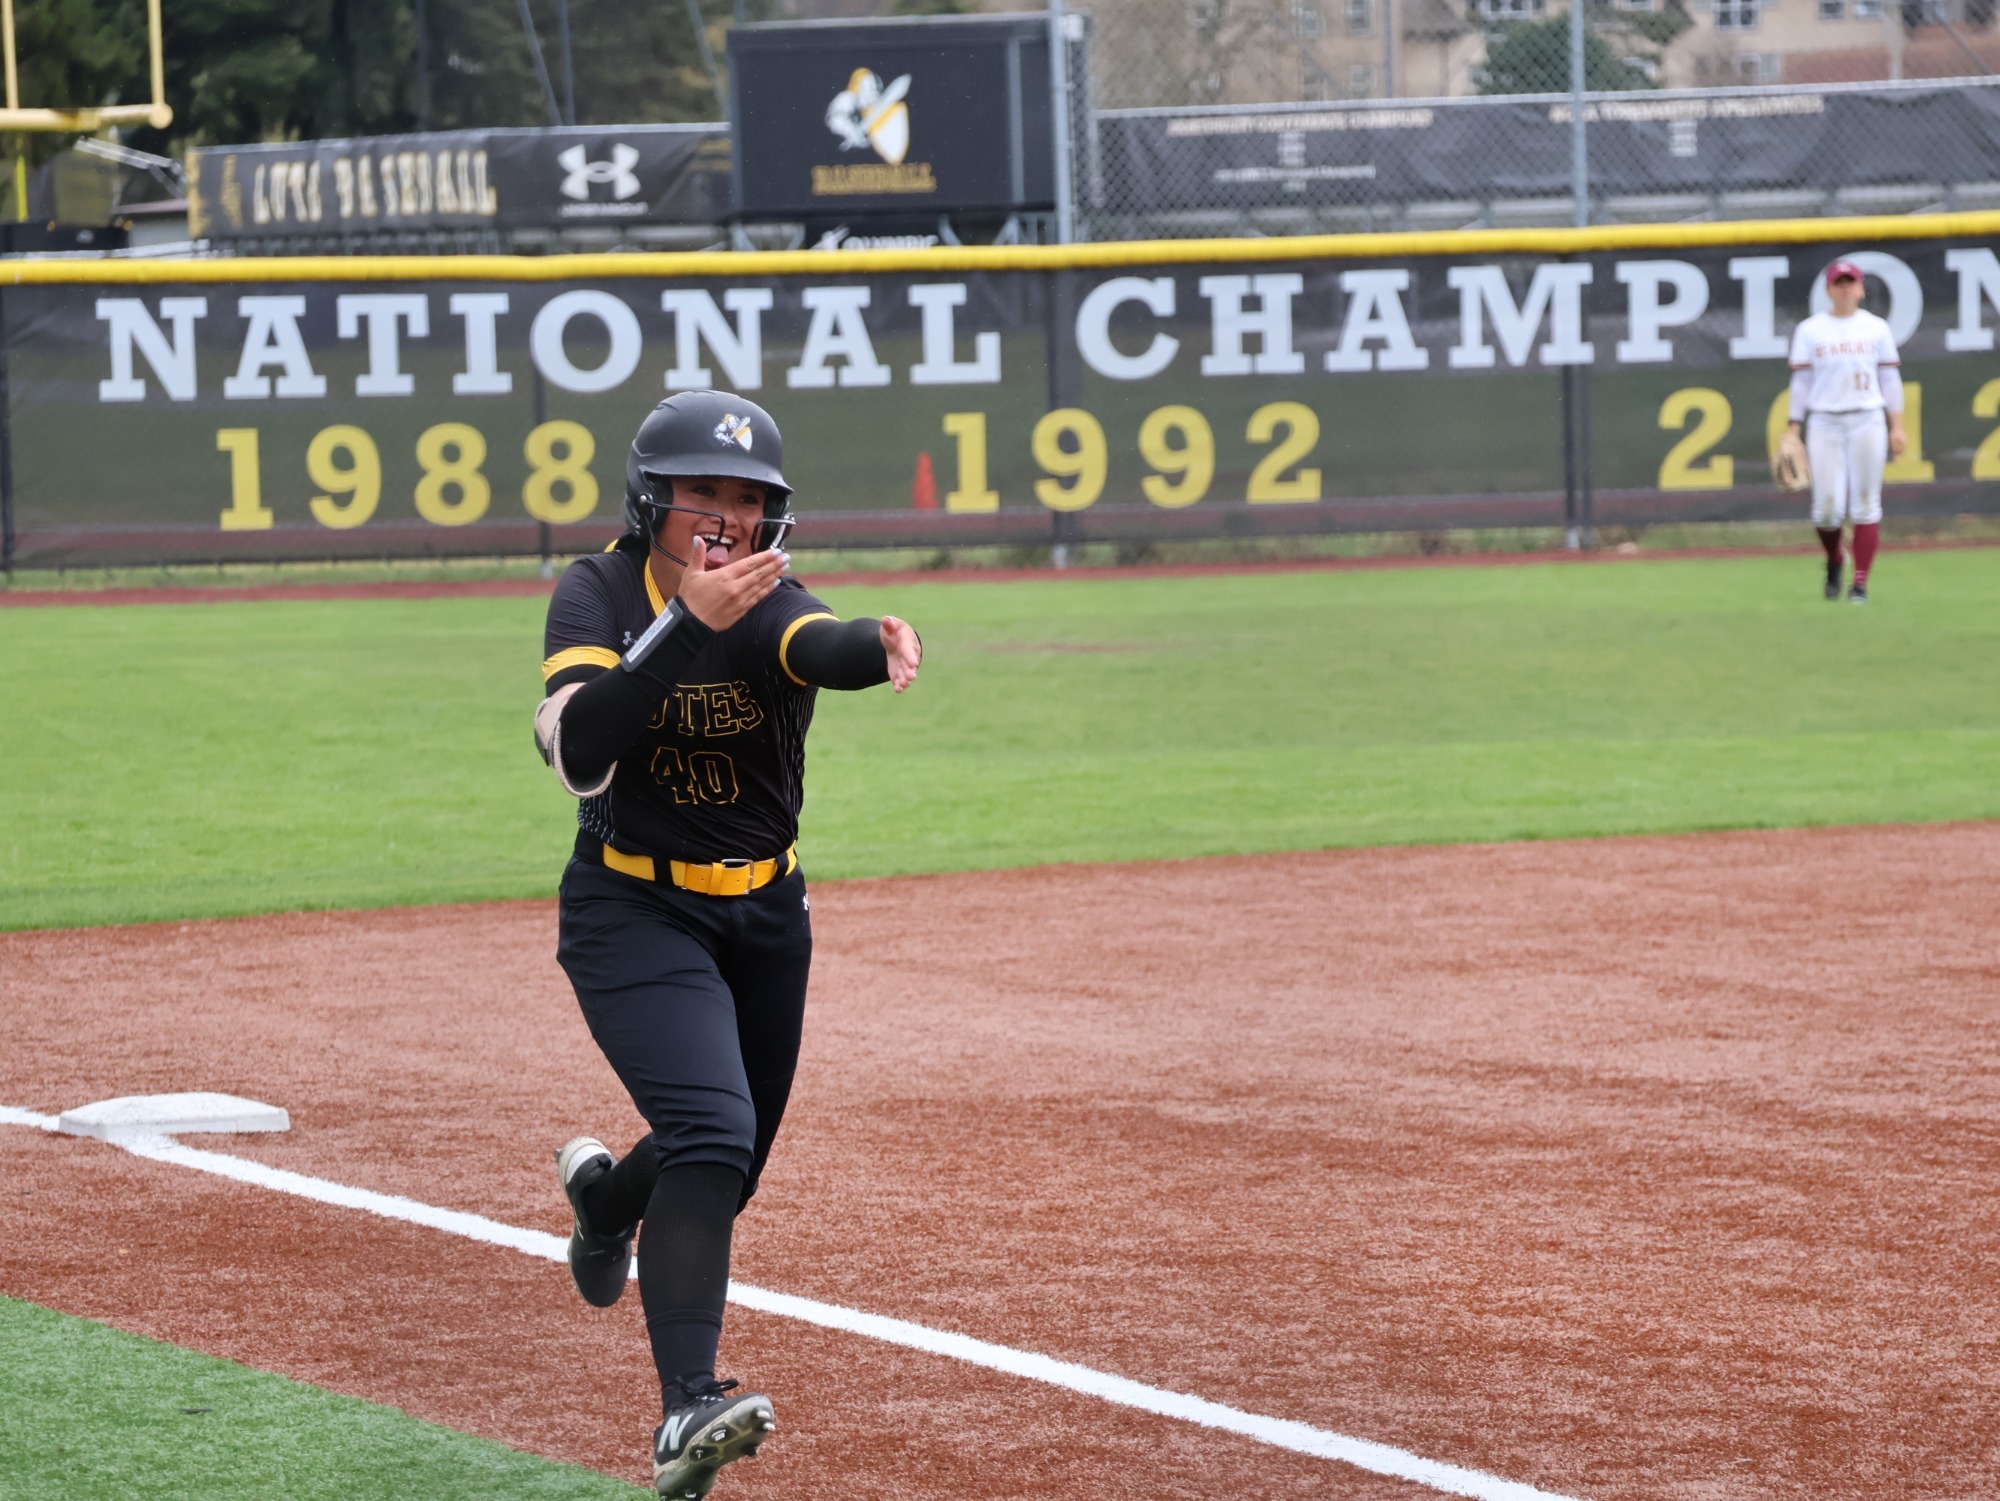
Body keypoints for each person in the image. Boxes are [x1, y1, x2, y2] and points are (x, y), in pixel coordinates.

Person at [531, 390, 922, 1499]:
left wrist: (873, 641)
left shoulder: (764, 596)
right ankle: (685, 1409)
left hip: (763, 916)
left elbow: (812, 640)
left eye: (748, 498)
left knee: (726, 1155)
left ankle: (610, 1204)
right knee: (711, 1128)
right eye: (703, 490)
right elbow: (581, 748)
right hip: (629, 909)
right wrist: (678, 629)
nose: (726, 515)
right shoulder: (599, 591)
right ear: (651, 499)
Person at [1786, 259, 1906, 604]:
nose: (1845, 288)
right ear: (1828, 290)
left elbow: (1889, 378)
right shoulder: (1811, 329)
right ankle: (1835, 558)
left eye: (1850, 282)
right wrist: (1793, 429)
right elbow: (1801, 381)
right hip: (1824, 420)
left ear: (1861, 288)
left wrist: (1896, 425)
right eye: (1838, 282)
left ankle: (1860, 584)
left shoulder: (1876, 327)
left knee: (1866, 503)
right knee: (1826, 508)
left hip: (1867, 417)